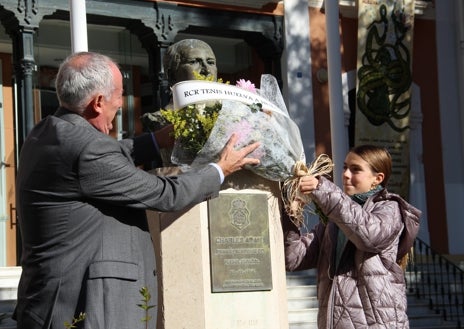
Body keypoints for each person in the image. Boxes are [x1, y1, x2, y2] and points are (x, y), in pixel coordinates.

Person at [13, 51, 260, 329]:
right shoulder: (87, 148)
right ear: (97, 103)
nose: (119, 106)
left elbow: (108, 155)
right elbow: (166, 194)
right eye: (118, 99)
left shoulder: (47, 131)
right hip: (85, 307)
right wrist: (220, 170)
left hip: (53, 301)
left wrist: (156, 140)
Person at [283, 145, 421, 328]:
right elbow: (293, 259)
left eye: (355, 169)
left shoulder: (390, 209)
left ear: (377, 179)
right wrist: (292, 216)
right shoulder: (334, 221)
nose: (346, 174)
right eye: (345, 167)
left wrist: (324, 190)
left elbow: (367, 235)